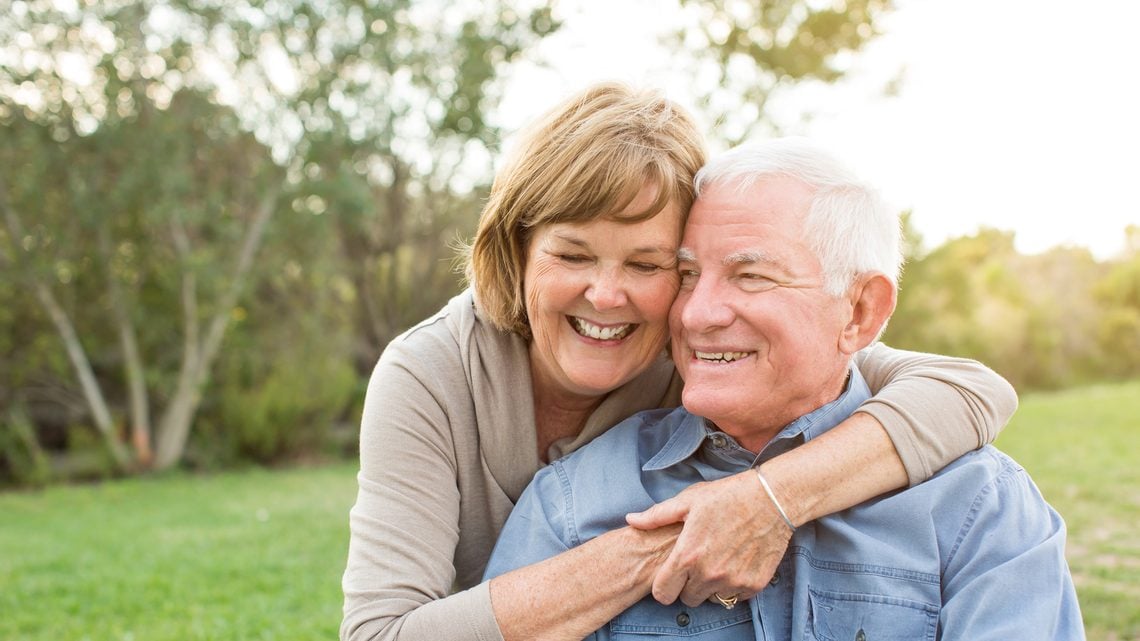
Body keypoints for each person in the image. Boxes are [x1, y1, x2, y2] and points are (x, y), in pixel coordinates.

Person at [340, 84, 1020, 641]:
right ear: (517, 251)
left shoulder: (703, 349)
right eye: (572, 254)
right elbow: (377, 633)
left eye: (650, 264)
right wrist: (674, 539)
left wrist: (768, 498)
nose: (607, 295)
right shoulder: (431, 373)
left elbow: (969, 389)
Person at [484, 137, 1083, 640]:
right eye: (688, 275)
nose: (697, 314)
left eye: (751, 276)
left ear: (860, 313)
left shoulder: (978, 507)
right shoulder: (572, 501)